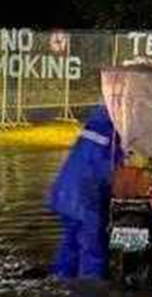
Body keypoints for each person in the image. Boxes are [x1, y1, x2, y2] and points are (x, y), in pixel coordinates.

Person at [47, 104, 122, 280]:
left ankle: (62, 281)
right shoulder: (113, 133)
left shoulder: (97, 122)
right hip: (85, 197)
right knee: (92, 250)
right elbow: (107, 170)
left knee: (70, 244)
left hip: (65, 193)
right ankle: (90, 294)